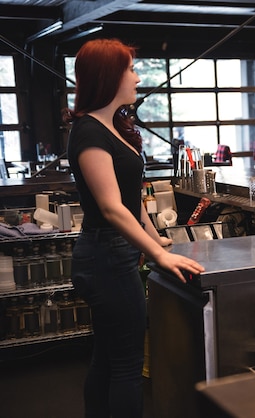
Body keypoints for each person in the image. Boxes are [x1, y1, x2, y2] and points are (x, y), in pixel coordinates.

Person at [64, 39, 205, 418]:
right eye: (130, 69)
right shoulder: (89, 133)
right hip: (105, 256)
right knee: (125, 364)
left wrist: (153, 234)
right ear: (109, 76)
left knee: (108, 357)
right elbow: (111, 208)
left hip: (113, 252)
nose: (137, 76)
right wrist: (159, 253)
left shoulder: (113, 127)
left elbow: (130, 198)